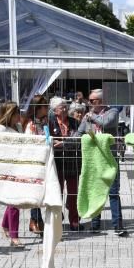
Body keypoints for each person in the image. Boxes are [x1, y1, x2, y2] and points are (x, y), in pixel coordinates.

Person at [78, 88, 127, 236]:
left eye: (93, 101)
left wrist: (91, 116)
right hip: (94, 159)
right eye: (89, 100)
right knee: (95, 191)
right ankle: (95, 225)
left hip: (109, 158)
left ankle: (117, 225)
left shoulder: (112, 112)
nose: (90, 103)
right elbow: (80, 132)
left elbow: (105, 123)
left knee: (113, 193)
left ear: (102, 101)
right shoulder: (89, 116)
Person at [0, 101, 25, 247]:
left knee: (13, 201)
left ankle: (6, 225)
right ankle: (14, 236)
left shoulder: (17, 127)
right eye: (17, 113)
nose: (20, 116)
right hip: (6, 168)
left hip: (18, 167)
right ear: (9, 114)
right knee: (14, 201)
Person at [48, 96, 83, 231]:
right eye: (62, 107)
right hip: (57, 164)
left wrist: (62, 143)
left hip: (73, 162)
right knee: (58, 194)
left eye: (65, 106)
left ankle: (74, 220)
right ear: (55, 111)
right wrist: (67, 142)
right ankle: (58, 219)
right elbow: (49, 142)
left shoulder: (74, 122)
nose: (65, 108)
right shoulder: (50, 124)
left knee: (73, 193)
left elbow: (78, 140)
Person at [24, 94, 50, 235]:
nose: (47, 109)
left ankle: (37, 220)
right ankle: (35, 220)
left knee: (43, 193)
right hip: (34, 163)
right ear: (38, 108)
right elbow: (29, 143)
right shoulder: (31, 124)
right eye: (45, 106)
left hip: (45, 162)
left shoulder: (45, 121)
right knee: (36, 193)